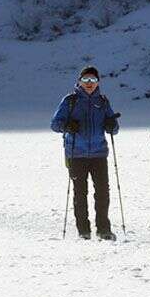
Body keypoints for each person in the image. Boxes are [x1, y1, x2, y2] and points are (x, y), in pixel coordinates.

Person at [50, 66, 120, 240]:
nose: (89, 84)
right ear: (80, 81)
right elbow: (55, 124)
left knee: (103, 192)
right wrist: (67, 126)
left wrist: (111, 125)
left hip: (99, 153)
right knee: (80, 192)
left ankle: (104, 229)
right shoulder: (70, 101)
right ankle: (83, 230)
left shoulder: (103, 101)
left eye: (93, 80)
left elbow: (113, 127)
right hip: (76, 153)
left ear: (98, 83)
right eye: (86, 80)